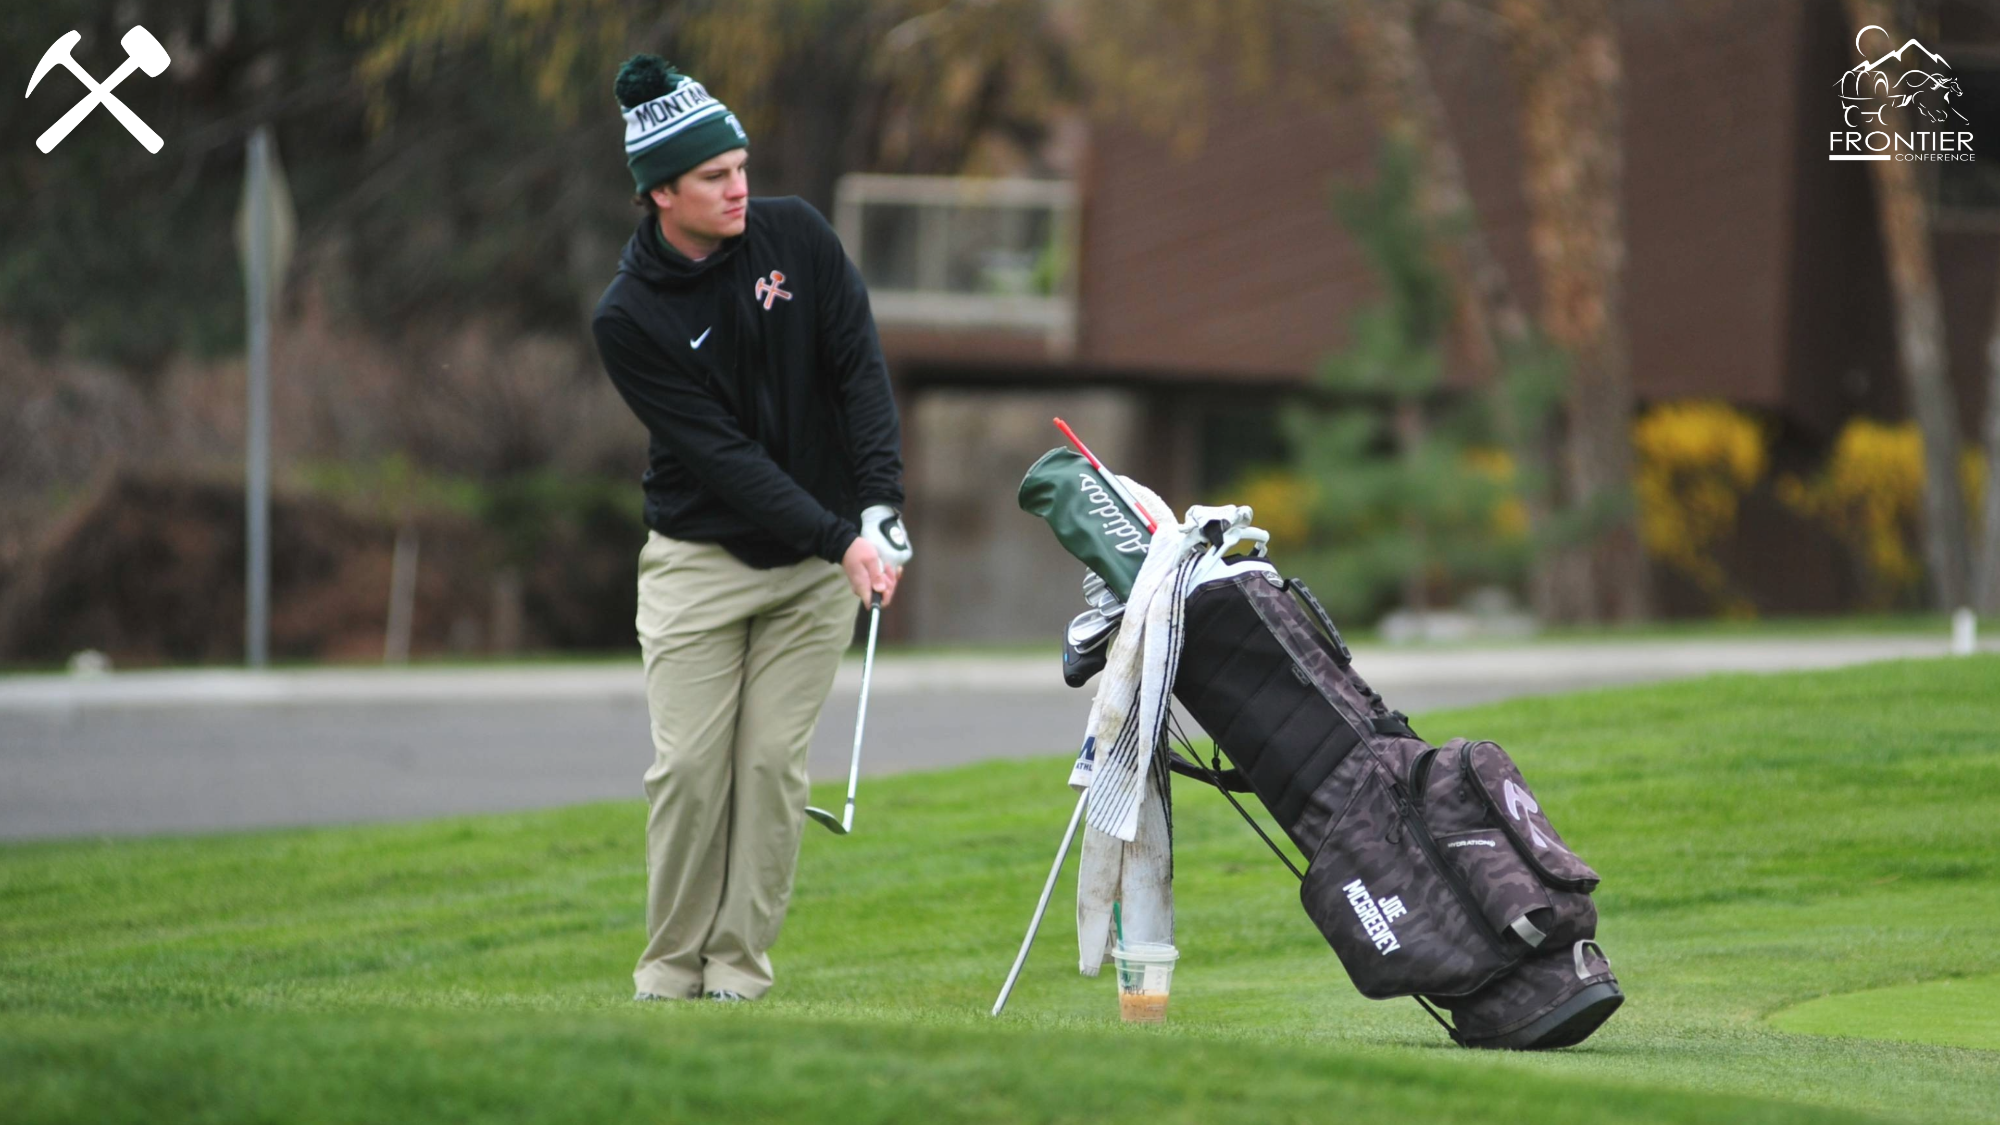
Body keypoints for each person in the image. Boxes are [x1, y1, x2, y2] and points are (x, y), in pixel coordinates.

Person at [591, 54, 911, 1003]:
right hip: (699, 560)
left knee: (772, 765)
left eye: (740, 167)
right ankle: (667, 968)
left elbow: (859, 368)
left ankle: (737, 971)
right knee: (690, 767)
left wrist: (880, 504)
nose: (740, 188)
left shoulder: (797, 237)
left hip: (818, 567)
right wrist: (839, 535)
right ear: (660, 195)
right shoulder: (629, 316)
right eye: (715, 178)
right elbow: (724, 458)